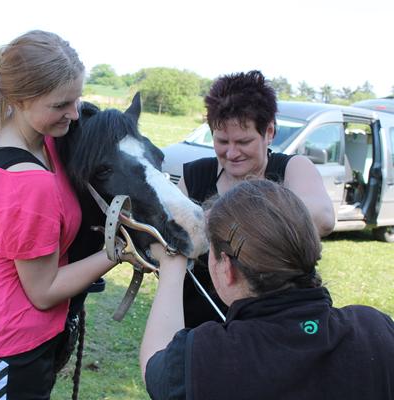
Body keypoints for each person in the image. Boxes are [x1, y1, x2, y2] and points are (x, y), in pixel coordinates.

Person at [0, 30, 118, 399]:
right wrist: (115, 251)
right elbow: (44, 290)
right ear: (22, 100)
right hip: (2, 355)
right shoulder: (25, 183)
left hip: (23, 344)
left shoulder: (38, 140)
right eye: (61, 105)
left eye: (77, 99)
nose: (74, 114)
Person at [140, 179, 394, 400]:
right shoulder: (375, 330)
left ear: (226, 268)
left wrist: (172, 266)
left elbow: (155, 364)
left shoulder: (206, 356)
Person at [179, 70, 335, 327]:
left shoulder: (293, 168)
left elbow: (323, 219)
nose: (231, 153)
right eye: (221, 140)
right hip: (199, 325)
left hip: (276, 326)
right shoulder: (195, 175)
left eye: (243, 141)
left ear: (269, 132)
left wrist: (219, 219)